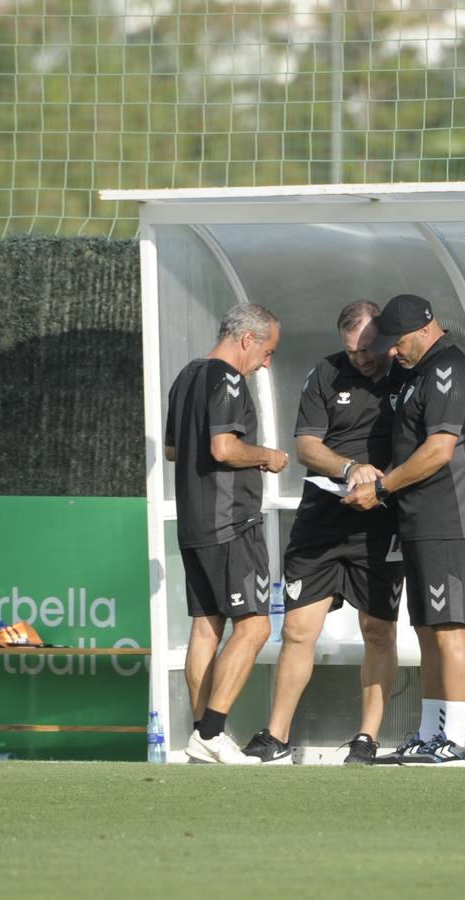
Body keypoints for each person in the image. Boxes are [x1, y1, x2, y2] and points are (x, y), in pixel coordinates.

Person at [241, 301, 408, 766]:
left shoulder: (405, 375)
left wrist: (382, 483)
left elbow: (424, 447)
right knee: (297, 628)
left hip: (381, 524)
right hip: (322, 521)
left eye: (368, 349)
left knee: (378, 630)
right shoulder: (324, 374)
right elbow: (307, 446)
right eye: (352, 351)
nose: (362, 359)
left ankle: (366, 740)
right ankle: (275, 737)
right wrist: (352, 468)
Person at [344, 294, 465, 765]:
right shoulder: (418, 373)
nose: (391, 351)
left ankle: (459, 739)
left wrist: (383, 488)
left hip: (451, 518)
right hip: (421, 520)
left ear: (424, 331)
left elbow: (438, 451)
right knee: (428, 629)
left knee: (449, 628)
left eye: (396, 342)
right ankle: (431, 734)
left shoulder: (449, 368)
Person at [164, 303, 288, 765]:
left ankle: (202, 736)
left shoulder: (186, 377)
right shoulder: (229, 380)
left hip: (194, 523)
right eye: (268, 351)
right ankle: (212, 734)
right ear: (246, 340)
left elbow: (176, 450)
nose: (266, 362)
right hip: (230, 521)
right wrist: (266, 456)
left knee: (206, 628)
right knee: (255, 626)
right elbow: (223, 447)